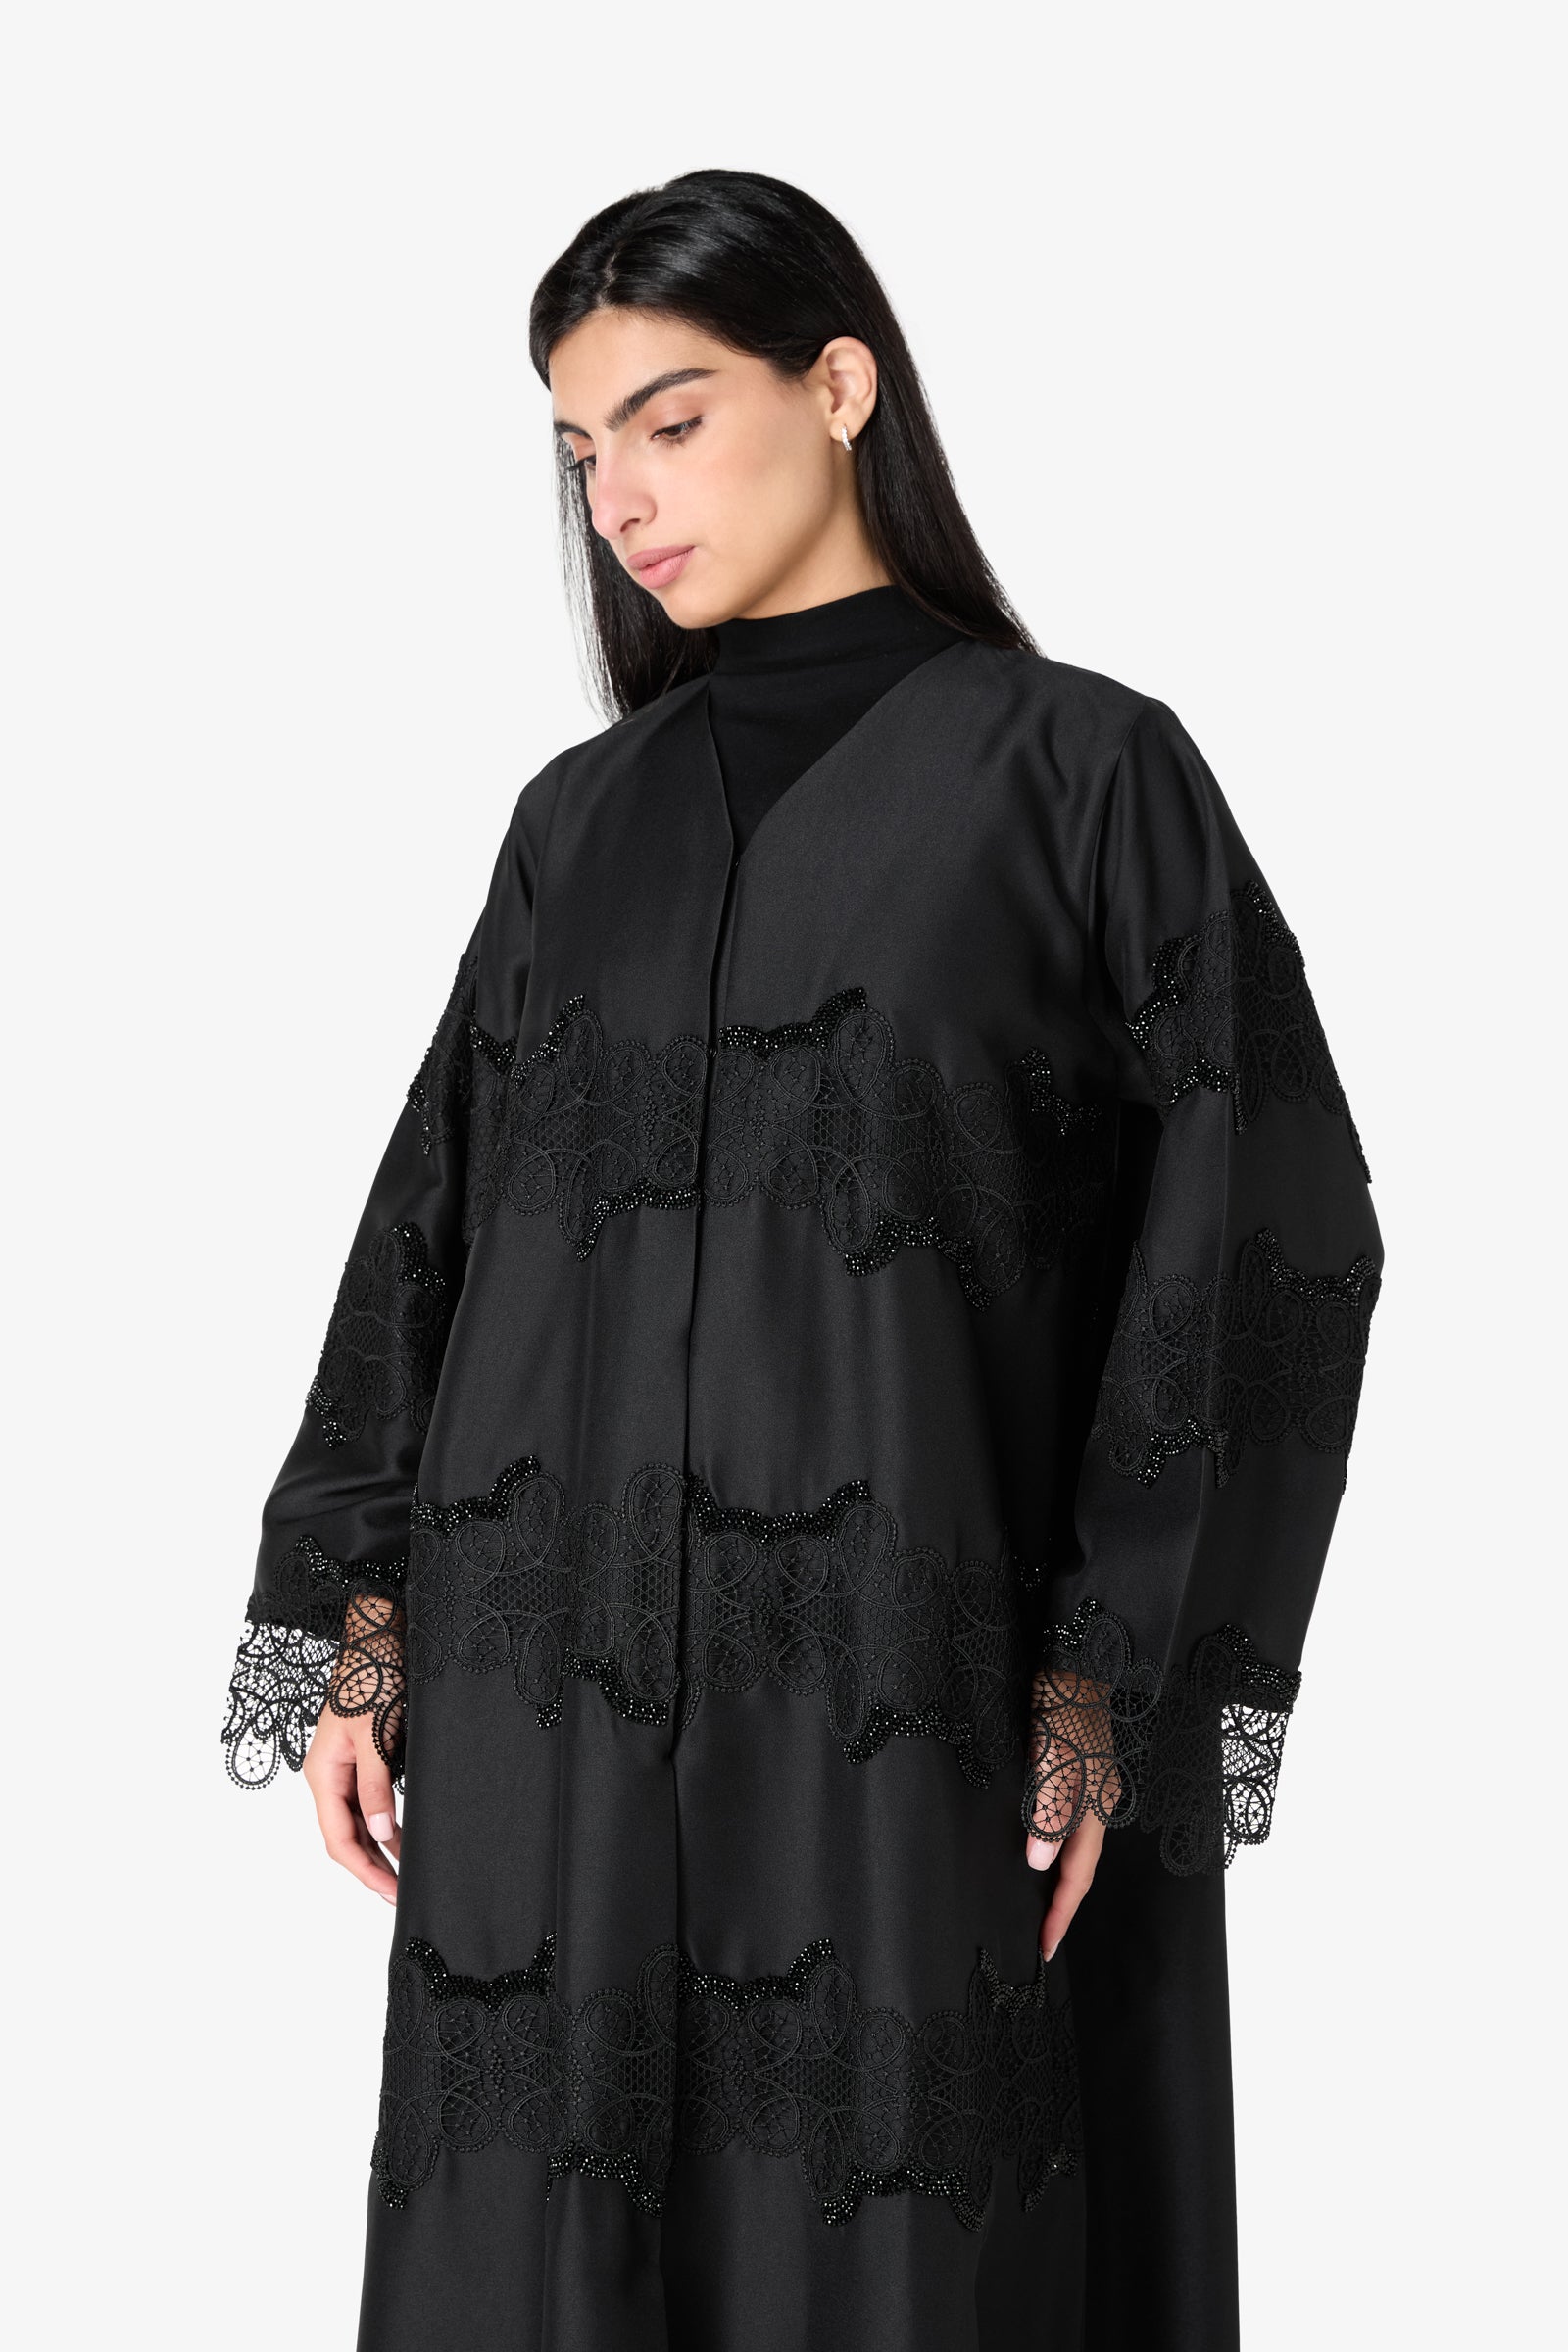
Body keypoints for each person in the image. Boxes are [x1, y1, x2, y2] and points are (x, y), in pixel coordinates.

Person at [223, 168, 1385, 2352]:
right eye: (582, 450)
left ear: (838, 385)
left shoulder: (1084, 776)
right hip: (561, 1717)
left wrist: (1103, 1670)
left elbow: (1268, 1228)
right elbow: (433, 1227)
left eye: (670, 420)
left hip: (907, 1711)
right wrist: (360, 1611)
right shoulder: (580, 823)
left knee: (907, 2244)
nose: (620, 499)